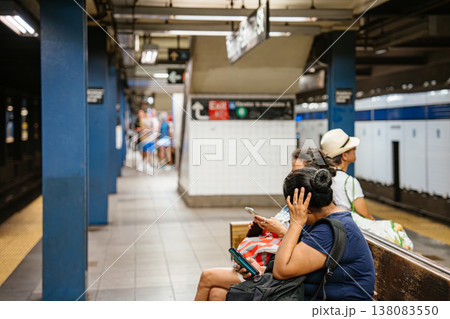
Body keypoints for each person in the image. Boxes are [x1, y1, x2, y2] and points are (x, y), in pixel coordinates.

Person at [204, 168, 376, 301]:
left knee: (220, 296)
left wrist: (296, 222)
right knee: (217, 294)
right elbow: (294, 263)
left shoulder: (329, 230)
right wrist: (261, 270)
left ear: (303, 207)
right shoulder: (322, 222)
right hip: (309, 294)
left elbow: (282, 271)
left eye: (290, 207)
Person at [194, 148, 335, 301]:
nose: (292, 178)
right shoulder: (296, 205)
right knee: (216, 293)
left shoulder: (319, 213)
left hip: (285, 279)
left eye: (298, 173)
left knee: (207, 277)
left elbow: (301, 251)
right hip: (273, 267)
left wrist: (281, 231)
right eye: (292, 173)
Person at [320, 129, 375, 220]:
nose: (355, 151)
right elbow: (364, 214)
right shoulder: (349, 182)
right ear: (344, 155)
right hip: (345, 228)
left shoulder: (321, 176)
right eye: (353, 149)